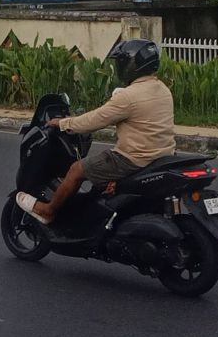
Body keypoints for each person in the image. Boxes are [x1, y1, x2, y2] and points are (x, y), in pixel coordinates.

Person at [16, 38, 174, 225]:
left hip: (133, 160)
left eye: (121, 62)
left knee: (76, 170)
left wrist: (64, 123)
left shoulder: (129, 96)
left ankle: (49, 211)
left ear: (132, 65)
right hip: (163, 156)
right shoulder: (162, 89)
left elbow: (94, 120)